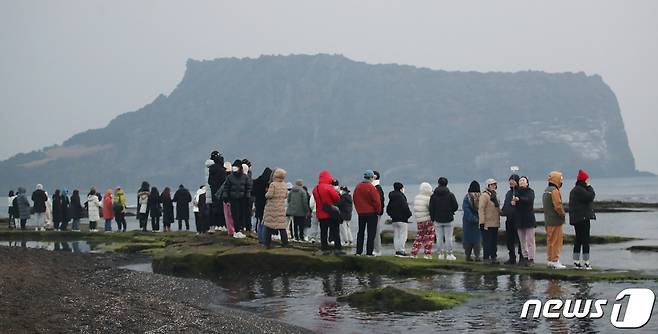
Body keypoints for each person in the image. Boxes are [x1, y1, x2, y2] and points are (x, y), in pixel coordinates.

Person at [569, 169, 596, 270]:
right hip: (583, 218)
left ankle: (576, 261)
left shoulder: (575, 189)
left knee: (578, 239)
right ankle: (586, 262)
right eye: (587, 179)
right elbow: (590, 196)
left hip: (577, 219)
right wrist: (590, 187)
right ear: (584, 180)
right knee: (585, 240)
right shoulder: (580, 190)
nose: (588, 181)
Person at [313, 170, 342, 254]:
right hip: (331, 213)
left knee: (323, 232)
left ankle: (324, 248)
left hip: (321, 213)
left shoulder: (315, 189)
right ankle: (338, 248)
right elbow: (337, 198)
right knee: (335, 232)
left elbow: (316, 200)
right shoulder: (329, 187)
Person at [430, 177, 459, 261]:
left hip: (437, 219)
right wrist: (451, 211)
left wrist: (433, 218)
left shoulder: (434, 196)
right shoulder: (450, 195)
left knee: (439, 238)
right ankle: (450, 254)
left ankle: (440, 254)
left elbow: (431, 208)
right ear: (446, 184)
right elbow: (456, 206)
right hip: (449, 219)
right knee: (448, 237)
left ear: (438, 183)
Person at [353, 170, 381, 256]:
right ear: (371, 177)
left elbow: (354, 199)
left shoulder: (358, 187)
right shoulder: (371, 188)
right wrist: (378, 211)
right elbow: (377, 201)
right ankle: (369, 252)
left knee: (360, 232)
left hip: (361, 213)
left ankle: (358, 252)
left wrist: (358, 210)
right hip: (371, 213)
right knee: (371, 233)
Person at [543, 171, 567, 269]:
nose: (561, 182)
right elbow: (558, 205)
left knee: (550, 240)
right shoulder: (554, 191)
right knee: (556, 241)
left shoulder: (546, 190)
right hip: (555, 220)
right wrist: (563, 214)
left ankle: (550, 259)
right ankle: (555, 260)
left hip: (548, 220)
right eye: (560, 179)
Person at [222, 160, 252, 239]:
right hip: (233, 199)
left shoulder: (245, 177)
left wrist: (247, 196)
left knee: (241, 215)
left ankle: (239, 230)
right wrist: (226, 197)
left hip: (242, 199)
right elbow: (226, 187)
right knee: (235, 215)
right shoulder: (230, 177)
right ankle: (236, 231)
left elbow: (248, 187)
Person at [263, 168, 290, 247]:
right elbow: (286, 195)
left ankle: (267, 244)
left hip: (271, 207)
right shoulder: (284, 185)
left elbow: (269, 195)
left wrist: (266, 193)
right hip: (281, 207)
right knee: (282, 227)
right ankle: (285, 243)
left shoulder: (273, 184)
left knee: (268, 226)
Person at [513, 176, 537, 267]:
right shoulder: (516, 192)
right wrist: (514, 203)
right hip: (519, 219)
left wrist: (519, 199)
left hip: (529, 219)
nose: (522, 182)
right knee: (522, 241)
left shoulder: (530, 191)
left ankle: (531, 258)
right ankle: (525, 257)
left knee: (530, 240)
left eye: (523, 180)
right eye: (520, 180)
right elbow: (515, 205)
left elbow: (529, 200)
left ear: (527, 183)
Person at [501, 174, 524, 265]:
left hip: (518, 219)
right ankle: (512, 257)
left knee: (520, 240)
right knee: (509, 240)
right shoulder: (508, 193)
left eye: (513, 180)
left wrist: (517, 201)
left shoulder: (520, 192)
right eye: (510, 181)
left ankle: (522, 257)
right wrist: (502, 211)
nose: (511, 182)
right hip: (509, 219)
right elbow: (506, 205)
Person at [387, 182, 413, 257]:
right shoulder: (401, 196)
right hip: (402, 219)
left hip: (394, 219)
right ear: (401, 188)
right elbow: (405, 207)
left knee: (396, 235)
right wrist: (409, 215)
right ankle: (401, 251)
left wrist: (391, 215)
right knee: (403, 235)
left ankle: (397, 251)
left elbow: (388, 208)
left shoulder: (392, 197)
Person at [479, 179, 501, 264]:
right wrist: (482, 222)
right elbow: (481, 209)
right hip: (487, 223)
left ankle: (493, 257)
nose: (493, 186)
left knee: (494, 242)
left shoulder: (496, 195)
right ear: (487, 186)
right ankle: (486, 258)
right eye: (491, 185)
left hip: (495, 222)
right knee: (487, 241)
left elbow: (498, 208)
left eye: (494, 185)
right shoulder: (484, 195)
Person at [410, 183, 434, 259]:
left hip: (419, 220)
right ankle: (427, 254)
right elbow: (431, 209)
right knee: (429, 237)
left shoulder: (416, 197)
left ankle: (413, 253)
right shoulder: (428, 198)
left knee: (419, 237)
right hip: (427, 220)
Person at [462, 181, 482, 262]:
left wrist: (471, 218)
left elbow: (466, 209)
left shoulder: (467, 197)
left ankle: (468, 255)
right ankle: (477, 256)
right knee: (477, 239)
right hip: (479, 221)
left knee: (467, 239)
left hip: (468, 222)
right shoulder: (481, 197)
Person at [253, 167, 273, 236]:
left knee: (259, 219)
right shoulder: (269, 184)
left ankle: (258, 233)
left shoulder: (257, 181)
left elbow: (253, 192)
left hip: (258, 202)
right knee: (266, 221)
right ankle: (265, 235)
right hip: (266, 203)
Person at [372, 171, 385, 256]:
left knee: (375, 231)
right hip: (374, 212)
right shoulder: (374, 187)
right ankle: (375, 249)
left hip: (376, 212)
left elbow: (380, 201)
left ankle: (377, 250)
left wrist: (379, 211)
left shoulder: (377, 188)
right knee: (373, 231)